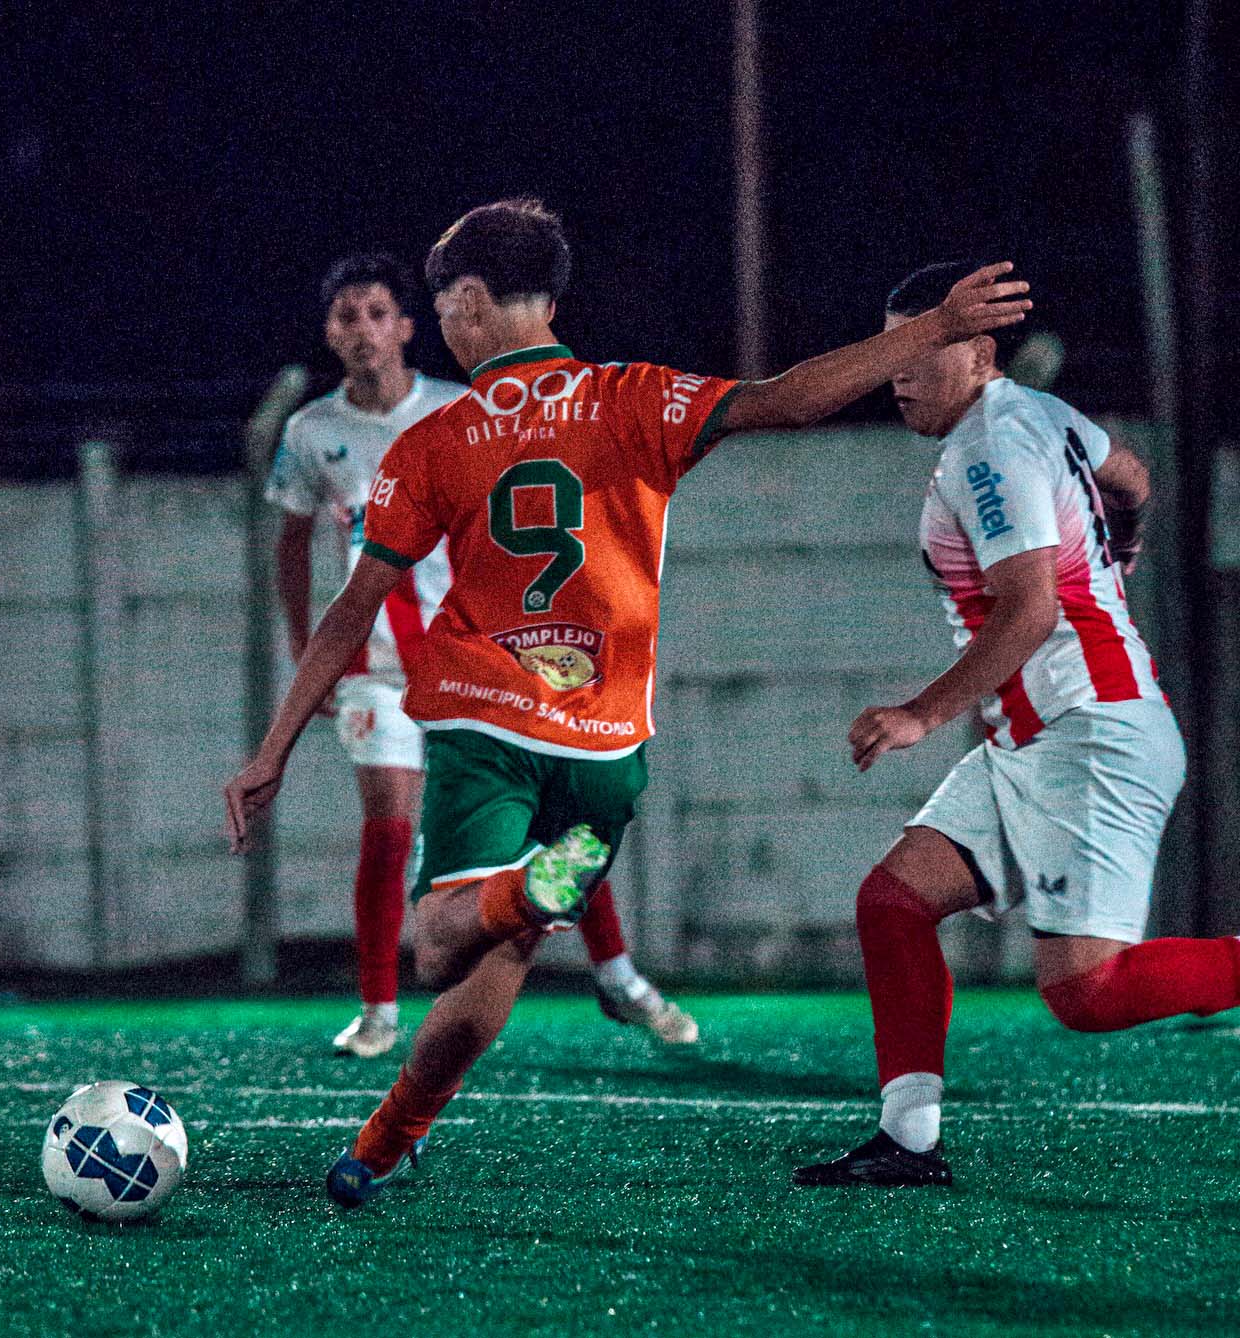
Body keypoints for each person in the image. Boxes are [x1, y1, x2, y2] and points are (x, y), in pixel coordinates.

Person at [222, 203, 1030, 1206]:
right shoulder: (637, 397)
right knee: (497, 971)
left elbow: (351, 612)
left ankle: (521, 903)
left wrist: (272, 748)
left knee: (442, 946)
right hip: (607, 742)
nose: (445, 329)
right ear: (552, 302)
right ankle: (385, 1140)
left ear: (470, 302)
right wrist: (928, 331)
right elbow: (786, 399)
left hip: (485, 720)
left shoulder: (435, 440)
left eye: (443, 307)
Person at [793, 260, 1237, 1189]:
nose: (900, 369)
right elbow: (1133, 475)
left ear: (981, 353)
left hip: (1090, 736)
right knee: (895, 903)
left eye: (927, 347)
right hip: (1039, 738)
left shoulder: (986, 447)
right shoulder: (1042, 416)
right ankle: (909, 1142)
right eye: (897, 348)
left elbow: (1029, 607)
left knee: (1088, 994)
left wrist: (922, 712)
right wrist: (1125, 535)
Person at [256, 251, 697, 1056]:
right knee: (389, 830)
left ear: (407, 327)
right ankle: (380, 1012)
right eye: (345, 316)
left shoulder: (462, 409)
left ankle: (619, 976)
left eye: (376, 313)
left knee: (556, 823)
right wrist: (299, 641)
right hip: (378, 667)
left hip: (480, 660)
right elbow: (289, 544)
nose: (361, 330)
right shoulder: (311, 433)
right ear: (328, 332)